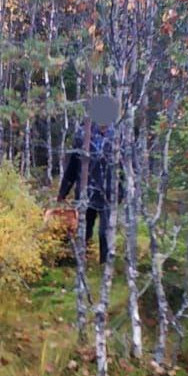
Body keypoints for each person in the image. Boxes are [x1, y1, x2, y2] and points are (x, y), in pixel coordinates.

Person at [57, 95, 119, 263]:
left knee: (105, 232)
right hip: (85, 191)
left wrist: (123, 192)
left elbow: (128, 168)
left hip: (108, 193)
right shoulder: (82, 134)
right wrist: (64, 191)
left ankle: (104, 266)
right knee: (84, 229)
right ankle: (79, 262)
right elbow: (73, 165)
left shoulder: (118, 136)